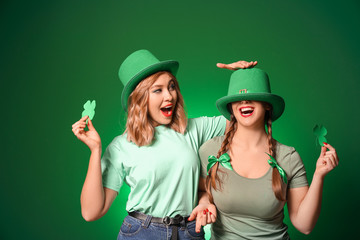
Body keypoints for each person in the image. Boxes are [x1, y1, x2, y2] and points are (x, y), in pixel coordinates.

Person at [71, 49, 257, 240]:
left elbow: (243, 120)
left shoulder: (192, 130)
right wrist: (95, 150)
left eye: (171, 87)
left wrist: (243, 78)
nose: (169, 96)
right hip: (141, 233)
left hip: (189, 231)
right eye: (157, 90)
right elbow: (91, 212)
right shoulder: (120, 146)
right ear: (140, 98)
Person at [198, 68, 339, 239]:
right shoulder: (210, 151)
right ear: (231, 108)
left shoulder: (289, 158)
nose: (245, 102)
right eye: (238, 99)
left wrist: (319, 175)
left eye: (253, 96)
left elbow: (304, 225)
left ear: (267, 105)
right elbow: (202, 191)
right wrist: (204, 203)